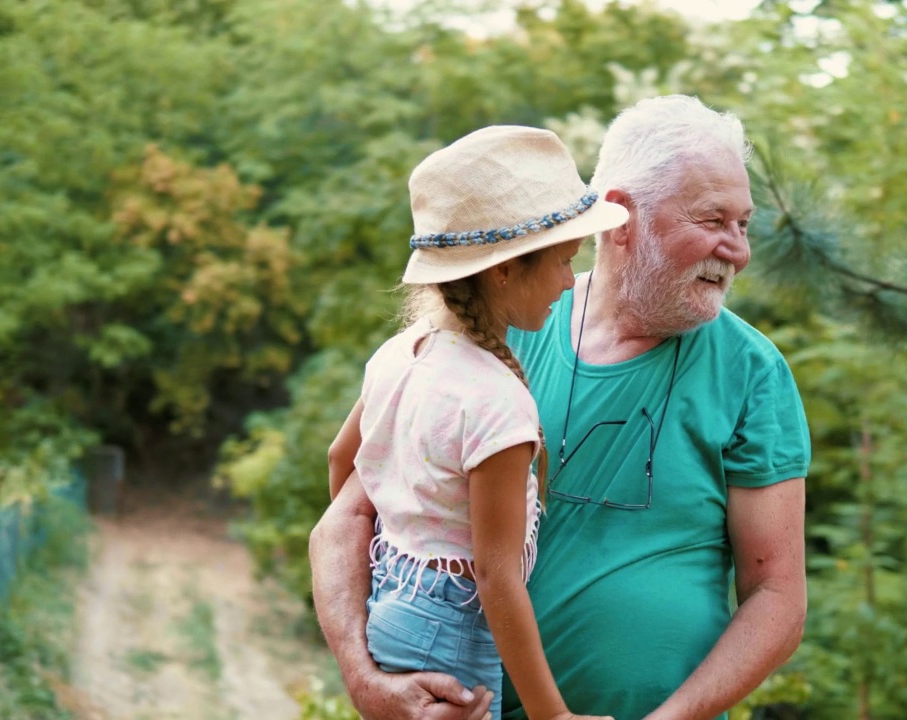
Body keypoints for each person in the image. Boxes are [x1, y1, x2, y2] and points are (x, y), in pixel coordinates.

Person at [312, 95, 810, 720]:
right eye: (713, 221)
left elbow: (777, 598)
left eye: (744, 224)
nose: (737, 250)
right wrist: (368, 681)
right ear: (623, 218)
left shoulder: (753, 373)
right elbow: (345, 517)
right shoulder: (490, 326)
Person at [324, 125, 630, 720]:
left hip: (397, 604)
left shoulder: (401, 353)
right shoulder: (497, 401)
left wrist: (393, 575)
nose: (572, 283)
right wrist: (555, 716)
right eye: (565, 261)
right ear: (504, 271)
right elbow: (496, 575)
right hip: (455, 634)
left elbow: (343, 461)